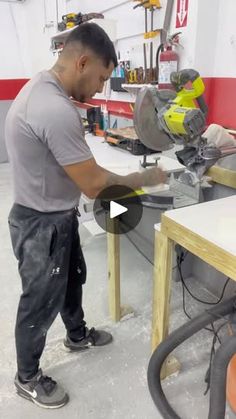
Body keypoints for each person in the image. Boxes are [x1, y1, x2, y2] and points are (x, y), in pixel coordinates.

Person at [5, 22, 166, 409]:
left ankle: (76, 334)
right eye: (101, 78)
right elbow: (94, 185)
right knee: (40, 300)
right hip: (40, 225)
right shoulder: (53, 108)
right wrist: (143, 178)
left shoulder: (44, 90)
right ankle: (26, 377)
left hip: (55, 215)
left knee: (73, 278)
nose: (99, 88)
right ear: (82, 62)